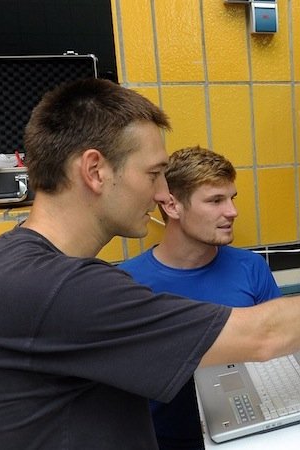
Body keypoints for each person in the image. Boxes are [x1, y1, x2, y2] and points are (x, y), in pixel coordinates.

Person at [0, 78, 300, 450]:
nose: (159, 195)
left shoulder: (12, 264)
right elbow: (264, 334)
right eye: (152, 174)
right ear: (95, 170)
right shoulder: (62, 289)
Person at [118, 146, 281, 450]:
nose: (232, 212)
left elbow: (280, 351)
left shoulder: (251, 267)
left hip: (249, 433)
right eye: (215, 200)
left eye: (231, 198)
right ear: (172, 206)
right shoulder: (128, 284)